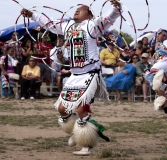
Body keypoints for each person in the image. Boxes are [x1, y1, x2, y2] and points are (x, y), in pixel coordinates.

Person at [21, 0, 120, 155]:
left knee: (81, 108)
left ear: (89, 14)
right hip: (74, 75)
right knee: (62, 108)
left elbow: (108, 19)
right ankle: (77, 131)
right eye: (76, 10)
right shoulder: (66, 26)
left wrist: (116, 7)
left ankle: (87, 144)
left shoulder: (93, 26)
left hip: (89, 74)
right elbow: (48, 23)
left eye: (80, 10)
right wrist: (32, 14)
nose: (76, 12)